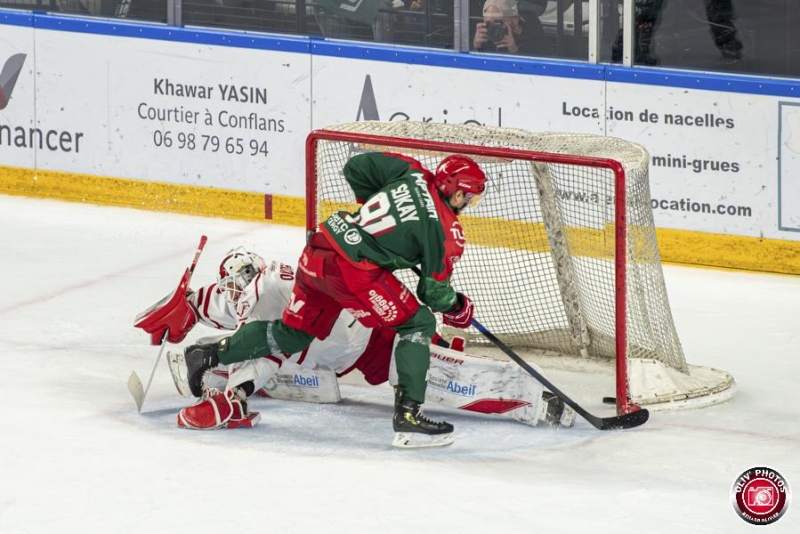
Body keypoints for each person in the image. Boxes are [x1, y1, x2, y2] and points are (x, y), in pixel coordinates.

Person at [175, 152, 495, 449]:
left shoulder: (411, 172)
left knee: (293, 334)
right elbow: (433, 294)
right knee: (418, 322)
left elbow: (354, 168)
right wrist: (458, 307)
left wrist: (375, 219)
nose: (468, 202)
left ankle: (212, 355)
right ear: (458, 193)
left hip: (322, 246)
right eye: (470, 196)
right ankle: (409, 419)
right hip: (355, 270)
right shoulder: (446, 230)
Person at [148, 247, 576, 435]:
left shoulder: (266, 290)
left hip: (374, 344)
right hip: (356, 337)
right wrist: (184, 304)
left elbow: (262, 341)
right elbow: (219, 303)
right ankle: (226, 389)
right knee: (260, 349)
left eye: (237, 284)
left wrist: (231, 381)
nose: (234, 291)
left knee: (441, 379)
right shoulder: (256, 285)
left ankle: (537, 402)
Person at [473, 0, 545, 56]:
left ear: (515, 19)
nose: (494, 28)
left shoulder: (532, 33)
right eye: (488, 24)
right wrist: (477, 47)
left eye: (498, 22)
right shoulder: (485, 34)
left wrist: (515, 50)